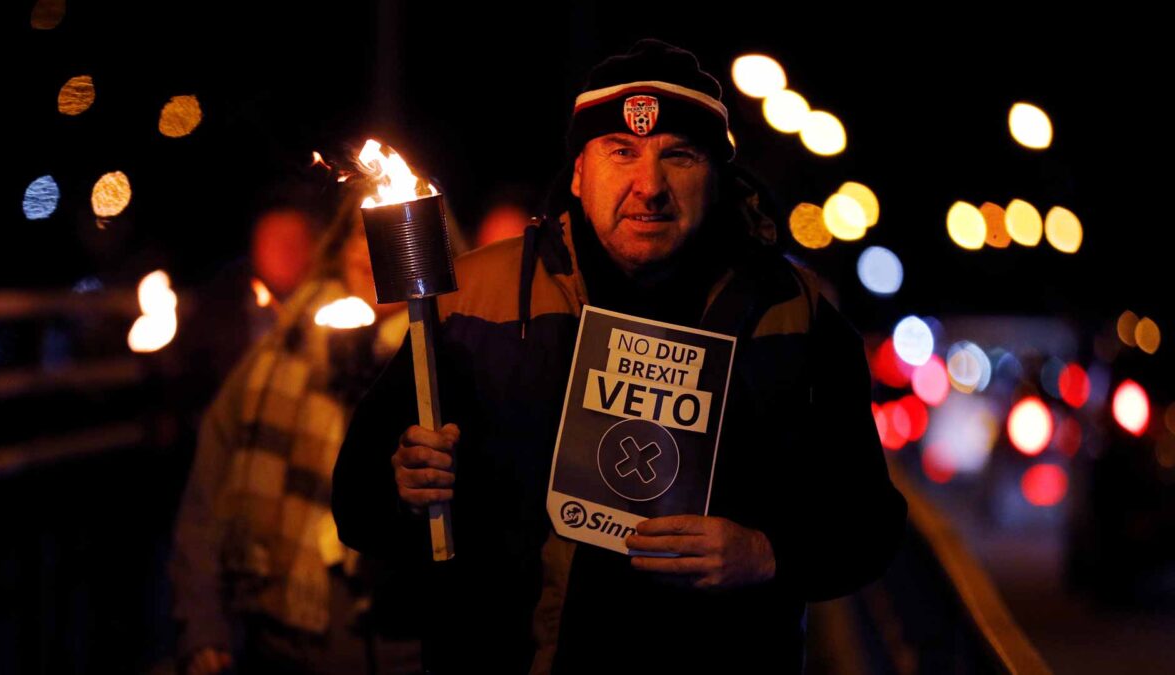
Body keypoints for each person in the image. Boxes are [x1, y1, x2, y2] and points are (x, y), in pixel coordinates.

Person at [332, 39, 906, 674]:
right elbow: (357, 504)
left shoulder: (792, 313)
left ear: (717, 175)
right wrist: (404, 488)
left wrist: (766, 555)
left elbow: (870, 525)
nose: (649, 187)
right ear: (579, 172)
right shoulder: (471, 301)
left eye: (679, 157)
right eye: (621, 152)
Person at [169, 185, 411, 675]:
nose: (369, 251)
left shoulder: (451, 362)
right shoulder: (278, 354)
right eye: (358, 234)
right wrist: (203, 626)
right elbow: (206, 495)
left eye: (389, 232)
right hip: (274, 645)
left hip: (398, 652)